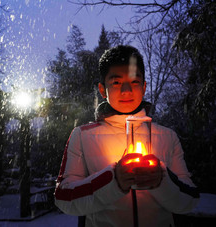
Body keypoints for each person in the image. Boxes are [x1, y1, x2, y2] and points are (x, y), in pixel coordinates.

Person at [54, 45, 199, 227]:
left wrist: (162, 180)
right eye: (115, 82)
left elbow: (190, 200)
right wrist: (113, 180)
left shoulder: (167, 137)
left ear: (144, 86)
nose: (126, 90)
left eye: (134, 82)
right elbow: (64, 198)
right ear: (102, 89)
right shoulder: (82, 136)